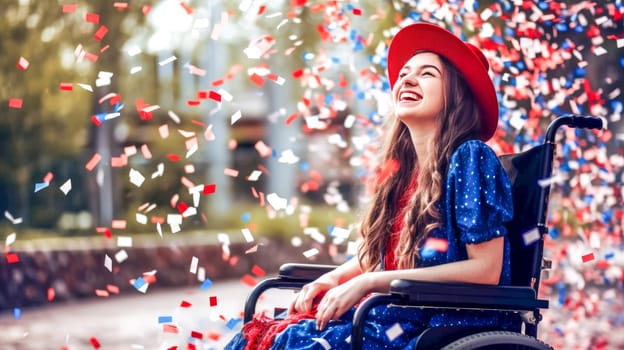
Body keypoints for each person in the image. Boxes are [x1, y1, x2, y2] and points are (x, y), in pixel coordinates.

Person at [226, 22, 517, 350]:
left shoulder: (470, 158)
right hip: (396, 313)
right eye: (405, 73)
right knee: (260, 334)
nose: (406, 79)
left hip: (438, 323)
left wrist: (371, 282)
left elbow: (487, 270)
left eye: (427, 74)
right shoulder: (403, 172)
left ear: (457, 96)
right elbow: (386, 256)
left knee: (295, 342)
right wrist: (334, 278)